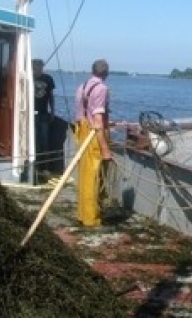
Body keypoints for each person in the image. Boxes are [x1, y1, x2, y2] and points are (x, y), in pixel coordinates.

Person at [74, 59, 112, 230]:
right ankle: (92, 219)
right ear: (106, 73)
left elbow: (81, 115)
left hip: (82, 132)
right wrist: (105, 150)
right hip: (93, 136)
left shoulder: (82, 87)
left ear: (92, 70)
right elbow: (97, 121)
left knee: (85, 176)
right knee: (94, 178)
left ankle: (83, 214)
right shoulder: (101, 89)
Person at [32, 59, 55, 177]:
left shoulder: (48, 79)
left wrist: (52, 111)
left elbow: (51, 96)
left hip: (43, 114)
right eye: (35, 66)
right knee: (34, 142)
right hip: (31, 115)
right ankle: (34, 167)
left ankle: (45, 167)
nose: (38, 69)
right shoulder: (28, 78)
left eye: (40, 66)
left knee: (45, 142)